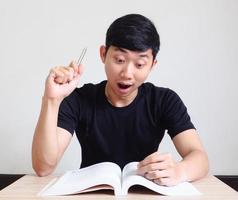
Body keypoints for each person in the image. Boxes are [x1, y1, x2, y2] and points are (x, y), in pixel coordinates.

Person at [32, 14, 209, 186]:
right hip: (93, 194)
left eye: (139, 64)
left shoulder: (164, 100)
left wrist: (180, 171)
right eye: (119, 60)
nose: (127, 73)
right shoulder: (79, 99)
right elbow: (43, 167)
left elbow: (199, 157)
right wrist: (51, 100)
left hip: (145, 193)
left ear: (153, 64)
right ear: (103, 54)